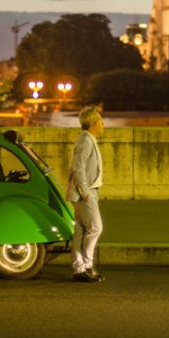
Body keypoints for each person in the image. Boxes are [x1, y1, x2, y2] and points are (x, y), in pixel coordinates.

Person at [66, 106, 105, 283]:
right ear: (93, 123)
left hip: (86, 192)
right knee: (96, 227)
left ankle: (80, 268)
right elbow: (78, 168)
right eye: (101, 122)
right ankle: (86, 266)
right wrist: (85, 191)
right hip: (85, 193)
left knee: (81, 231)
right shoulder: (85, 141)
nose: (103, 125)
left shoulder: (87, 139)